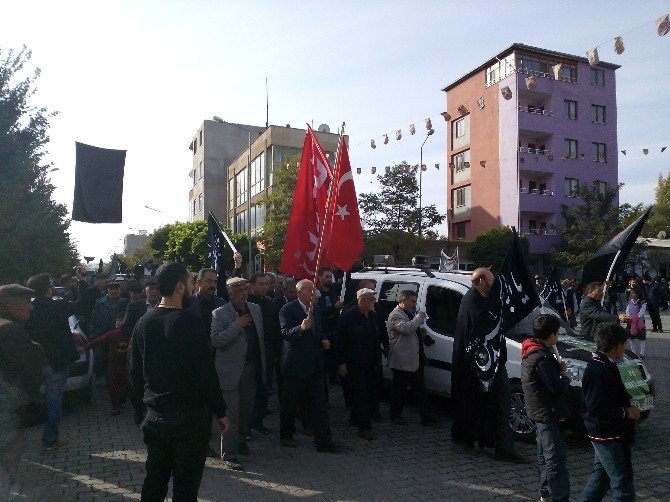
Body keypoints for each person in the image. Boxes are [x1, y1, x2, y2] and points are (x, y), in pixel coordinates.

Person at [129, 262, 229, 501]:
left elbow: (134, 373)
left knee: (154, 480)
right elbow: (205, 373)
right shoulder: (190, 323)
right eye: (192, 283)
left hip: (155, 418)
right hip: (189, 422)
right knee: (185, 487)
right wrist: (221, 411)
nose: (195, 289)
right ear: (180, 286)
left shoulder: (143, 322)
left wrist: (140, 409)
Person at [451, 268, 521, 462]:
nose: (494, 283)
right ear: (481, 281)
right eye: (491, 280)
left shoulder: (484, 299)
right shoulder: (472, 300)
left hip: (492, 361)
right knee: (477, 404)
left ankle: (498, 445)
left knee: (498, 404)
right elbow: (485, 328)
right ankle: (474, 439)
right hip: (479, 364)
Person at [579, 323, 640, 502]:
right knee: (623, 486)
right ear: (616, 346)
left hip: (609, 433)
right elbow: (596, 407)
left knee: (601, 479)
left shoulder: (606, 363)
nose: (625, 347)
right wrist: (626, 413)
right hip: (607, 434)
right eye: (624, 344)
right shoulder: (598, 370)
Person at [211, 277, 266, 471]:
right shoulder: (219, 313)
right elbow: (216, 341)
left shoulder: (255, 309)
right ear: (230, 293)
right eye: (239, 290)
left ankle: (241, 441)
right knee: (231, 414)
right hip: (230, 371)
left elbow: (260, 339)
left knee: (246, 411)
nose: (244, 293)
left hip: (251, 369)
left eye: (246, 289)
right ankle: (229, 454)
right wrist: (237, 326)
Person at [278, 279, 337, 452]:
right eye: (309, 290)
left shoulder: (316, 310)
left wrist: (324, 338)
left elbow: (320, 330)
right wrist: (300, 329)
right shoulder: (287, 309)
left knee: (319, 404)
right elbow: (285, 333)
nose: (313, 293)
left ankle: (324, 441)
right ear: (299, 292)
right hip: (295, 365)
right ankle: (287, 435)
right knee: (290, 403)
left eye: (314, 290)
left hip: (315, 365)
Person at [24, 273, 79, 451]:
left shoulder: (28, 308)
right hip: (56, 362)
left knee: (35, 398)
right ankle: (50, 439)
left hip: (35, 361)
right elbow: (77, 304)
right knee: (54, 400)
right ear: (48, 287)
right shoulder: (58, 305)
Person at [521, 314, 572, 502]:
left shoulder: (532, 351)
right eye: (557, 334)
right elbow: (557, 387)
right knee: (554, 459)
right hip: (546, 413)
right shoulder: (541, 357)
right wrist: (565, 377)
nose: (557, 338)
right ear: (551, 335)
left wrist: (556, 370)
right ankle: (558, 496)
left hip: (538, 411)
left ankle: (546, 493)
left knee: (544, 456)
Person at [334, 288, 383, 440]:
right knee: (361, 394)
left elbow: (377, 338)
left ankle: (355, 418)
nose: (372, 302)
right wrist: (341, 362)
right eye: (369, 299)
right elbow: (339, 341)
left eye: (373, 299)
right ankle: (365, 427)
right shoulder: (347, 317)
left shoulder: (373, 316)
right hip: (354, 361)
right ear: (360, 299)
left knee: (367, 392)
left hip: (371, 362)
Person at [386, 289, 439, 427]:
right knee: (400, 390)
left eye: (415, 302)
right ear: (403, 300)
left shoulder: (408, 312)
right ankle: (395, 414)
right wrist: (419, 318)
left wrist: (419, 332)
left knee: (420, 389)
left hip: (415, 358)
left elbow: (411, 331)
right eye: (412, 301)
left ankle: (427, 416)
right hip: (402, 359)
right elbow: (405, 329)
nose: (414, 304)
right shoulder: (395, 314)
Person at [0, 284, 45, 424]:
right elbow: (31, 368)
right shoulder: (10, 330)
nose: (31, 307)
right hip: (12, 407)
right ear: (9, 305)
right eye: (27, 302)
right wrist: (37, 348)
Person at [247, 273, 281, 435]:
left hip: (268, 349)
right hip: (252, 351)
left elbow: (275, 328)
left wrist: (276, 350)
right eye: (260, 284)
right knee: (250, 388)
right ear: (252, 285)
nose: (264, 287)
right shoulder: (246, 304)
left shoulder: (269, 303)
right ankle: (247, 424)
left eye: (266, 284)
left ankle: (258, 421)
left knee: (264, 386)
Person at [79, 311, 130, 415]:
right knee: (112, 385)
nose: (118, 323)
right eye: (117, 321)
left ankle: (122, 401)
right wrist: (85, 347)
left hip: (126, 364)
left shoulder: (130, 334)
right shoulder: (112, 334)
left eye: (121, 321)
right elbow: (98, 341)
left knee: (124, 385)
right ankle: (116, 406)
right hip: (113, 364)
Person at [90, 281, 128, 380]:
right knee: (99, 358)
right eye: (111, 289)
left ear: (120, 290)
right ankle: (100, 377)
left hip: (118, 337)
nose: (113, 291)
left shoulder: (124, 302)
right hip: (101, 335)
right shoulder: (99, 302)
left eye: (116, 289)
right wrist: (93, 334)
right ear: (107, 290)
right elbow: (93, 319)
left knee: (117, 358)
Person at [317, 268, 343, 387]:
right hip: (323, 328)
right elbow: (319, 312)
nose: (329, 279)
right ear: (320, 278)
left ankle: (334, 376)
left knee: (335, 354)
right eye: (326, 277)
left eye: (330, 277)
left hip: (335, 327)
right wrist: (334, 307)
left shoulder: (336, 291)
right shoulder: (317, 293)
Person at [187, 268, 225, 336]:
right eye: (209, 281)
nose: (213, 285)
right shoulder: (188, 303)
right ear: (199, 282)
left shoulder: (222, 304)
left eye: (215, 282)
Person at [625, 288, 647, 359]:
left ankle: (642, 353)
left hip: (639, 322)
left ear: (637, 294)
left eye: (633, 293)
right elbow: (627, 310)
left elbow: (642, 311)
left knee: (642, 338)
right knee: (632, 338)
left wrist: (637, 317)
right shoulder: (630, 302)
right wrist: (629, 316)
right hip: (631, 321)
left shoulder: (642, 302)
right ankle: (633, 353)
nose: (632, 295)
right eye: (631, 293)